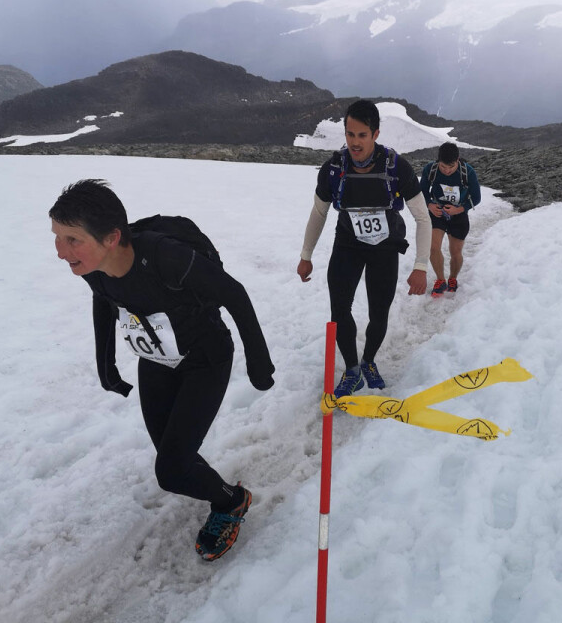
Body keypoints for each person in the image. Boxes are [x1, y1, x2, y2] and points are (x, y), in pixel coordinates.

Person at [49, 180, 275, 562]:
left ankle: (231, 502)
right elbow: (105, 301)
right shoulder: (92, 267)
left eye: (72, 239)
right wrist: (106, 363)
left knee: (170, 471)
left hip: (206, 358)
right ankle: (210, 484)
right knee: (173, 455)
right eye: (57, 237)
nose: (61, 252)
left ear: (111, 238)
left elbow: (233, 293)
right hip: (157, 361)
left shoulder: (165, 257)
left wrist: (258, 360)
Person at [297, 100, 430, 398]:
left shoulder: (396, 167)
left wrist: (421, 266)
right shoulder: (333, 168)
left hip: (384, 247)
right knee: (339, 310)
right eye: (350, 134)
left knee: (378, 312)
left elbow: (423, 217)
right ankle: (353, 370)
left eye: (362, 135)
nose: (355, 142)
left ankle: (369, 360)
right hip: (347, 244)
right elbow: (319, 213)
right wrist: (306, 256)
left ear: (375, 134)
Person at [420, 141, 481, 297]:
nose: (447, 171)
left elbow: (476, 197)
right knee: (433, 248)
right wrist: (429, 205)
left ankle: (452, 278)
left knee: (455, 251)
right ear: (438, 161)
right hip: (437, 213)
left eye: (451, 167)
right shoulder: (430, 169)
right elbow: (422, 192)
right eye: (443, 167)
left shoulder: (467, 172)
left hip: (458, 214)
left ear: (458, 160)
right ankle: (440, 280)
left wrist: (458, 209)